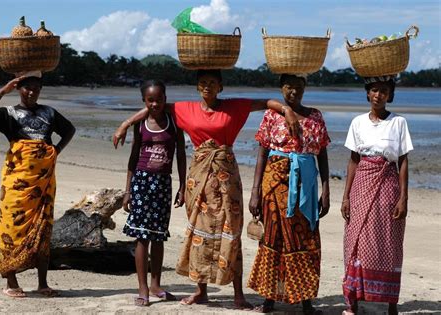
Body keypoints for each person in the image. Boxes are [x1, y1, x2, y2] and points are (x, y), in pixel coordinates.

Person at [113, 69, 300, 309]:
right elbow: (154, 107)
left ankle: (238, 295)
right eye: (203, 83)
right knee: (199, 234)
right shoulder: (185, 109)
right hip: (198, 178)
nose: (207, 86)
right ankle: (201, 292)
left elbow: (265, 102)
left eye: (212, 83)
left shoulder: (234, 107)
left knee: (231, 231)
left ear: (220, 86)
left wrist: (287, 111)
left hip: (227, 178)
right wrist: (125, 124)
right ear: (197, 87)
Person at [0, 75, 75, 298]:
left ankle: (42, 283)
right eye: (27, 89)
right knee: (11, 228)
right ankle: (11, 282)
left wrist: (56, 151)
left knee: (43, 228)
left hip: (44, 181)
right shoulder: (8, 113)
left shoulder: (49, 112)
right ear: (18, 89)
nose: (32, 93)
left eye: (36, 89)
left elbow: (69, 130)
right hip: (16, 182)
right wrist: (2, 91)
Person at [247, 74, 330, 314]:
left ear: (305, 87)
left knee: (304, 238)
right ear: (281, 88)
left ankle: (306, 301)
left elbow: (322, 155)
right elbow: (262, 155)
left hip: (305, 185)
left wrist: (325, 190)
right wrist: (255, 192)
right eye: (288, 86)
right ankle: (269, 300)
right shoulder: (272, 115)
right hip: (274, 184)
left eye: (298, 86)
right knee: (273, 238)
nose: (293, 91)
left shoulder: (315, 116)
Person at [340, 76, 413, 315]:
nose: (378, 95)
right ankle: (353, 303)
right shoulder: (358, 123)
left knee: (388, 240)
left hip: (387, 183)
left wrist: (403, 197)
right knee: (356, 239)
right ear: (367, 94)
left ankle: (391, 304)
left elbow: (402, 161)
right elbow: (353, 160)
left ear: (390, 95)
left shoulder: (399, 122)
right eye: (374, 90)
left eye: (384, 91)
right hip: (362, 182)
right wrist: (346, 196)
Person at [121, 80, 186, 306]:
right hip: (142, 182)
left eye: (159, 99)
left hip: (163, 184)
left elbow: (180, 155)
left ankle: (157, 284)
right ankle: (143, 288)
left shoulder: (175, 122)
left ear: (165, 99)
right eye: (150, 100)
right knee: (142, 236)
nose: (155, 104)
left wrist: (182, 186)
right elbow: (132, 158)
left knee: (158, 236)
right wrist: (128, 190)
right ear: (144, 101)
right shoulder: (140, 125)